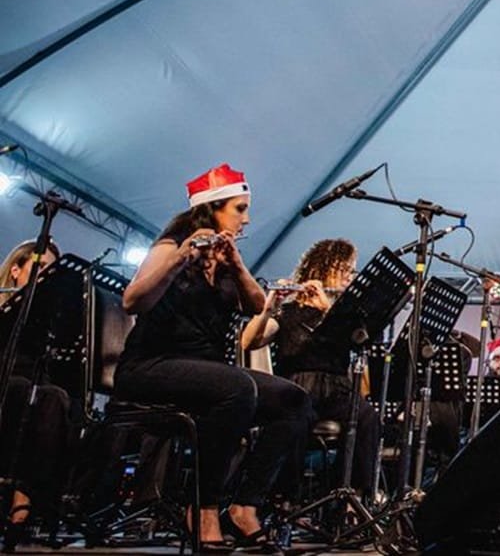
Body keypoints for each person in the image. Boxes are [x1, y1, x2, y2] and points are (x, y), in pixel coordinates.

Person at [115, 164, 315, 549]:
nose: (247, 218)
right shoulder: (171, 245)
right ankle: (203, 506)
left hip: (206, 373)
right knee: (237, 387)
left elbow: (257, 305)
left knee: (295, 400)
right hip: (150, 366)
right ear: (213, 208)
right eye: (239, 208)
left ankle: (244, 505)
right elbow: (131, 301)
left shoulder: (226, 261)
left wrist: (237, 265)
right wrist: (180, 260)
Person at [241, 238, 381, 500]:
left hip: (338, 390)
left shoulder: (346, 312)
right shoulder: (289, 311)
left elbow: (356, 342)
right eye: (346, 269)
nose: (350, 276)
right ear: (324, 268)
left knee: (367, 418)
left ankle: (347, 497)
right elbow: (249, 342)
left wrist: (329, 310)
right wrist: (268, 309)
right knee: (294, 419)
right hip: (298, 387)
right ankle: (287, 499)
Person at [0, 238, 72, 544]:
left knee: (58, 399)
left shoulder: (49, 321)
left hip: (34, 383)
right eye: (39, 268)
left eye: (51, 273)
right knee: (23, 392)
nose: (45, 278)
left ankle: (25, 502)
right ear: (16, 270)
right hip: (8, 379)